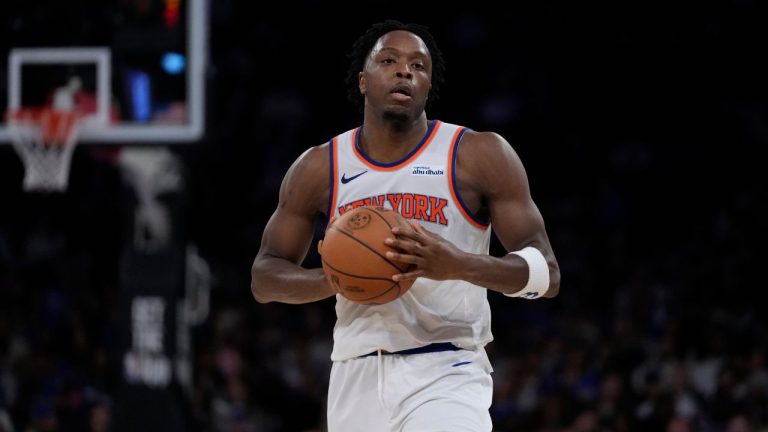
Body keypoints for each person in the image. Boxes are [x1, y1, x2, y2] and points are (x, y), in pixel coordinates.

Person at [251, 20, 560, 432]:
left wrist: (457, 264)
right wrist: (332, 279)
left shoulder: (478, 154)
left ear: (428, 85)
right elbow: (264, 278)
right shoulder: (319, 166)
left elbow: (547, 274)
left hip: (447, 369)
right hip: (354, 374)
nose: (405, 71)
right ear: (363, 80)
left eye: (419, 65)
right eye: (389, 60)